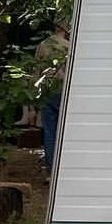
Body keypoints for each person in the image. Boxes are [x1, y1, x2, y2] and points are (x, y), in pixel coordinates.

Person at [36, 19, 70, 178]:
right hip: (64, 90)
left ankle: (51, 168)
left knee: (49, 131)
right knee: (65, 130)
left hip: (48, 90)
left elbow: (36, 71)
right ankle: (65, 166)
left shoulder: (43, 45)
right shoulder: (69, 46)